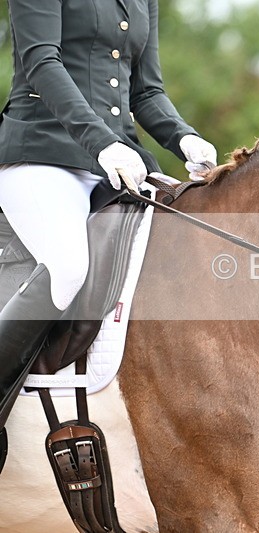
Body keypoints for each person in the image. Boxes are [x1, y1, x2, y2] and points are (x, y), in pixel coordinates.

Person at [0, 0, 217, 430]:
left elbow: (146, 92)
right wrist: (101, 141)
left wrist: (185, 138)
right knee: (66, 267)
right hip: (43, 155)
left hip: (120, 164)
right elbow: (42, 62)